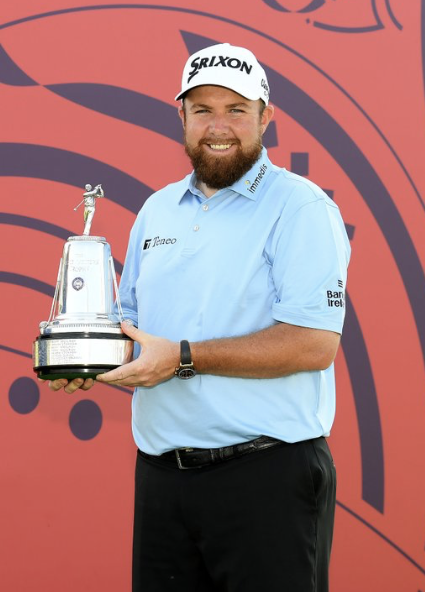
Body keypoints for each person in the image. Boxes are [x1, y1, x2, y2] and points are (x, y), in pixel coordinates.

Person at [51, 43, 350, 591]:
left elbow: (313, 344)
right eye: (203, 109)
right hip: (164, 479)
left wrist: (184, 359)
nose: (219, 126)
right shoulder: (157, 209)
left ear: (266, 117)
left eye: (237, 110)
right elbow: (135, 330)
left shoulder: (301, 207)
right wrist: (83, 358)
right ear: (181, 117)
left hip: (267, 477)